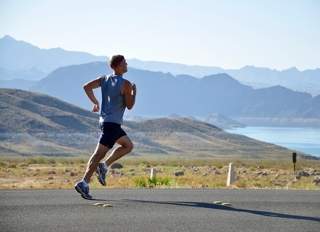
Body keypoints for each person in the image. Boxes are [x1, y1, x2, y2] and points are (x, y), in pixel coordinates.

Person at [75, 55, 136, 199]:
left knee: (128, 145)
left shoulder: (104, 79)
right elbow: (130, 105)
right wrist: (135, 93)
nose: (126, 64)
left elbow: (86, 87)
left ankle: (104, 166)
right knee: (98, 155)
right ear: (118, 66)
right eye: (124, 63)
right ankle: (84, 182)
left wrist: (95, 102)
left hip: (106, 122)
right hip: (112, 124)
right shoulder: (126, 84)